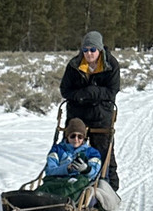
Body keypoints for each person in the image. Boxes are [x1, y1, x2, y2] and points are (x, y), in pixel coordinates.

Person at [60, 30, 120, 190]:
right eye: (85, 50)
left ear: (99, 50)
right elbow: (65, 91)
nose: (89, 53)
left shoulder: (110, 65)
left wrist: (92, 92)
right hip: (77, 114)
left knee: (103, 150)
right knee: (72, 148)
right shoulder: (74, 65)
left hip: (101, 114)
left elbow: (112, 91)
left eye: (92, 50)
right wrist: (80, 95)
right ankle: (66, 183)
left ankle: (109, 187)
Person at [35, 117, 102, 202]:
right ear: (67, 136)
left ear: (84, 138)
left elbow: (95, 174)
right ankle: (39, 200)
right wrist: (66, 169)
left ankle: (54, 201)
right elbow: (49, 171)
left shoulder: (92, 152)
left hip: (77, 182)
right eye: (73, 136)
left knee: (76, 186)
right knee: (46, 187)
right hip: (56, 180)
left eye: (80, 136)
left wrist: (86, 169)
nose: (76, 139)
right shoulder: (57, 150)